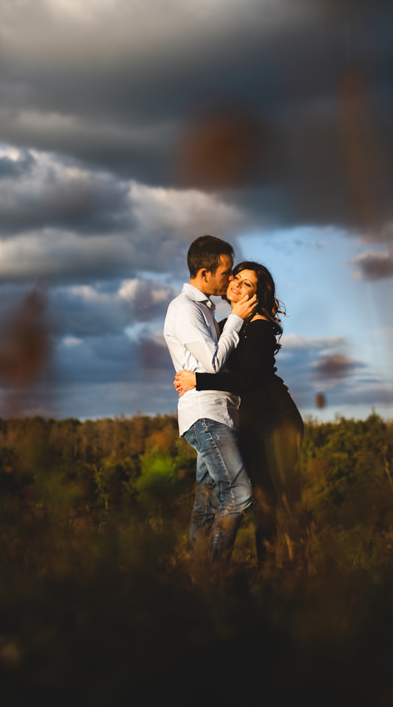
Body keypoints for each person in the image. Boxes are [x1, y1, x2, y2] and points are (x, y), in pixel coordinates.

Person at [175, 261, 303, 567]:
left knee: (284, 501)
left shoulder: (260, 326)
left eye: (247, 283)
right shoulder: (228, 325)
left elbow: (246, 379)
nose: (236, 284)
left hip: (276, 420)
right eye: (236, 278)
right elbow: (213, 359)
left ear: (257, 294)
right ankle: (268, 574)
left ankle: (299, 576)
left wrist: (198, 380)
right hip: (246, 422)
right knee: (261, 501)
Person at [163, 235, 258, 561]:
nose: (230, 278)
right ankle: (215, 573)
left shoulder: (202, 309)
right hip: (206, 416)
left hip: (221, 413)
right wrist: (236, 319)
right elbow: (213, 362)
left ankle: (198, 582)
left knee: (205, 504)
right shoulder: (185, 309)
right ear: (204, 273)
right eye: (225, 271)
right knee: (239, 493)